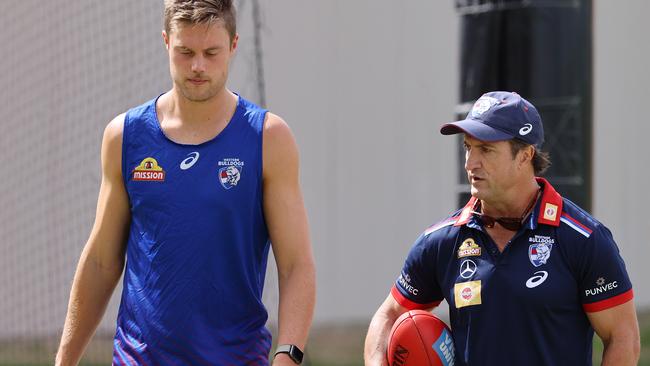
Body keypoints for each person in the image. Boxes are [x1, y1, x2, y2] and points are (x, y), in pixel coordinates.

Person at [55, 1, 315, 365]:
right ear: (166, 42)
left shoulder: (268, 138)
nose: (197, 66)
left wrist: (287, 356)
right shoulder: (125, 136)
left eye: (211, 53)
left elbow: (296, 266)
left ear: (234, 45)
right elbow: (101, 261)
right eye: (185, 52)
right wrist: (64, 361)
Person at [364, 91, 640, 365]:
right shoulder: (440, 241)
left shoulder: (583, 238)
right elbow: (388, 316)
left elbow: (623, 337)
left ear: (525, 156)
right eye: (468, 147)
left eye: (486, 150)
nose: (471, 163)